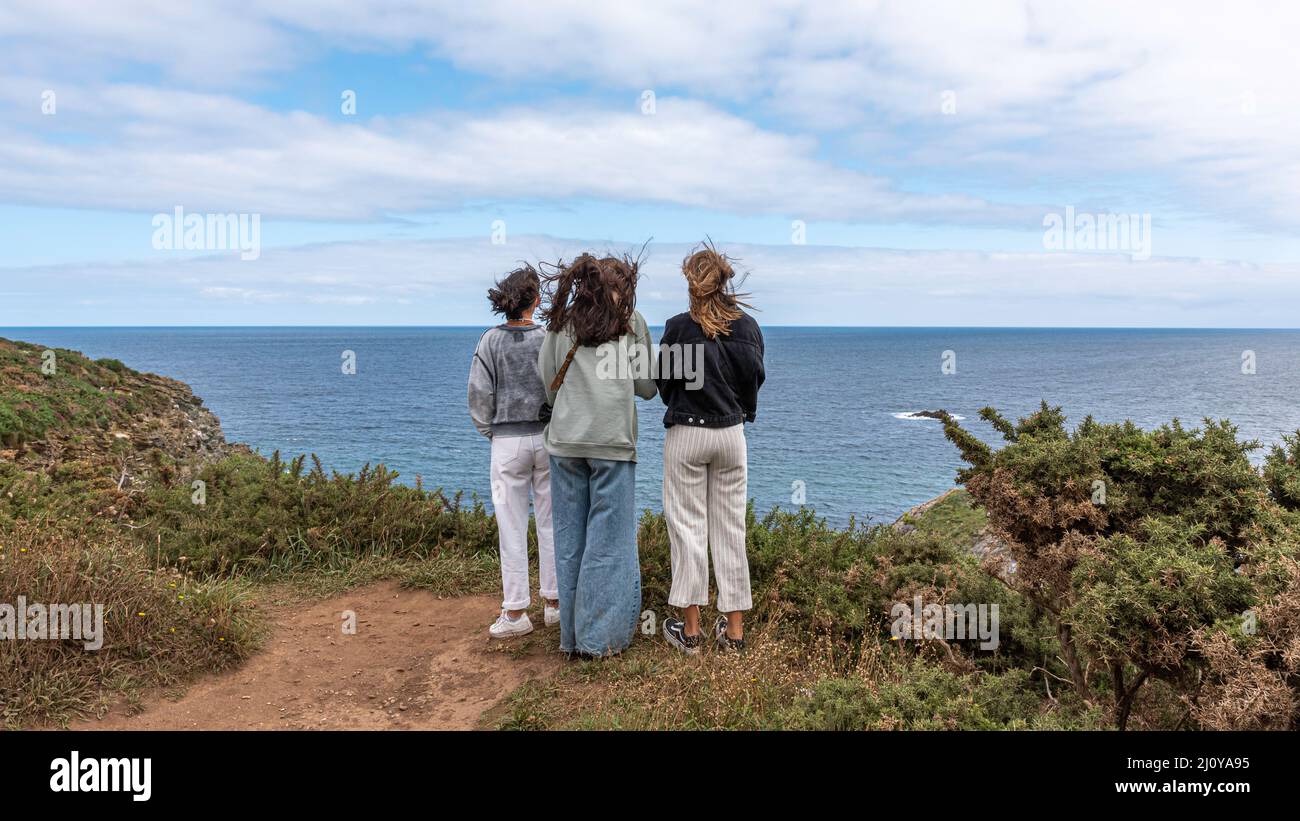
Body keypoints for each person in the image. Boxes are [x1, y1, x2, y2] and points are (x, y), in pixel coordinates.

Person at [538, 253, 657, 658]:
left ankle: (571, 639)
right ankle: (598, 640)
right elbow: (646, 387)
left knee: (570, 540)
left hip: (566, 441)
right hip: (612, 444)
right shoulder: (631, 323)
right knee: (609, 543)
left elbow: (549, 384)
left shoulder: (563, 322)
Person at [656, 245, 765, 654]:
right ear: (725, 280)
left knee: (687, 530)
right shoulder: (749, 327)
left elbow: (665, 387)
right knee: (730, 530)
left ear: (690, 281)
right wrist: (740, 413)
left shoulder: (678, 328)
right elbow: (753, 381)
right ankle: (734, 635)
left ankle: (692, 633)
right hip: (731, 435)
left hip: (687, 433)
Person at [468, 265, 558, 639]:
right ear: (535, 300)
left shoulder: (489, 341)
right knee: (553, 523)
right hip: (548, 439)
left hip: (506, 442)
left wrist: (492, 431)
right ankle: (555, 604)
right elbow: (560, 387)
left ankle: (517, 611)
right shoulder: (549, 338)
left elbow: (478, 395)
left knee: (512, 526)